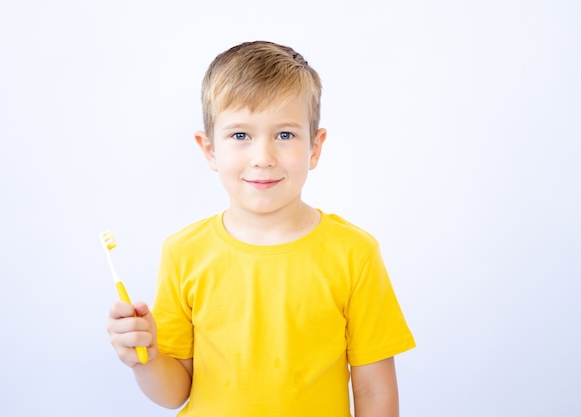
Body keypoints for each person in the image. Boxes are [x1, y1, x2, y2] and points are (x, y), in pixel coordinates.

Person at [107, 40, 416, 417]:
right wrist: (148, 358)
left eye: (284, 135)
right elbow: (174, 393)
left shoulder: (355, 254)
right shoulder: (183, 252)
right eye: (241, 136)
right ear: (209, 150)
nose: (263, 158)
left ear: (314, 148)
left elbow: (375, 393)